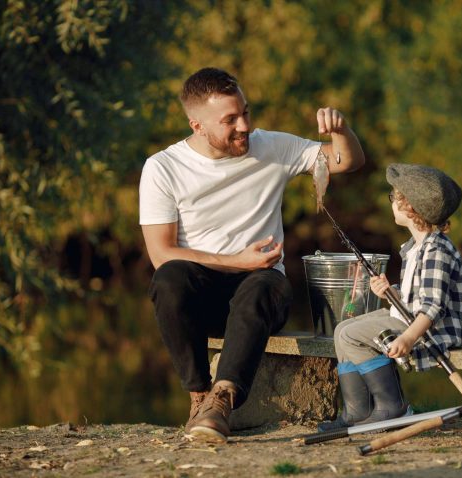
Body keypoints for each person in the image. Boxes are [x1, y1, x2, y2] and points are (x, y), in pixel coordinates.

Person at [139, 67, 365, 440]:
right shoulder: (164, 168)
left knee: (261, 285)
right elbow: (162, 254)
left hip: (263, 289)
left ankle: (222, 400)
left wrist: (342, 130)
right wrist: (234, 261)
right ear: (197, 125)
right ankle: (199, 396)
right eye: (230, 119)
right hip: (207, 294)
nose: (244, 125)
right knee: (169, 278)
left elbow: (346, 161)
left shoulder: (272, 147)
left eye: (245, 112)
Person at [318, 163, 462, 432]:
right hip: (411, 319)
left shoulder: (437, 250)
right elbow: (416, 297)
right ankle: (357, 411)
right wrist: (392, 293)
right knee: (342, 329)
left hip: (433, 331)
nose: (391, 203)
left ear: (409, 208)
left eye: (394, 198)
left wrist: (408, 338)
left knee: (349, 336)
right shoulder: (414, 247)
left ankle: (392, 407)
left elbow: (433, 307)